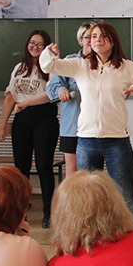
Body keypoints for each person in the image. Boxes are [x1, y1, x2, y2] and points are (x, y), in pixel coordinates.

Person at [39, 22, 133, 228]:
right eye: (93, 36)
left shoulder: (126, 66)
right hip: (86, 141)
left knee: (125, 196)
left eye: (103, 36)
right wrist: (48, 53)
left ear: (113, 40)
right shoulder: (80, 64)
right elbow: (48, 66)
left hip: (117, 142)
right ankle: (88, 238)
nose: (97, 40)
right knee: (87, 197)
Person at [0, 29, 59, 229]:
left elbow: (51, 94)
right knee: (20, 169)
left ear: (46, 48)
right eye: (32, 42)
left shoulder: (51, 67)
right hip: (22, 120)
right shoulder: (19, 68)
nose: (34, 47)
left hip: (44, 119)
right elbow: (10, 98)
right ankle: (20, 214)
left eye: (39, 44)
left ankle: (48, 213)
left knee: (44, 167)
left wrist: (27, 103)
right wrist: (1, 127)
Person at [46, 21, 96, 179]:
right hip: (72, 126)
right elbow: (52, 86)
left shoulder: (104, 64)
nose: (91, 41)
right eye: (87, 37)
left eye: (95, 37)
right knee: (72, 172)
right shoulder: (70, 61)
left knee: (92, 174)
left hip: (95, 127)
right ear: (81, 40)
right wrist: (61, 89)